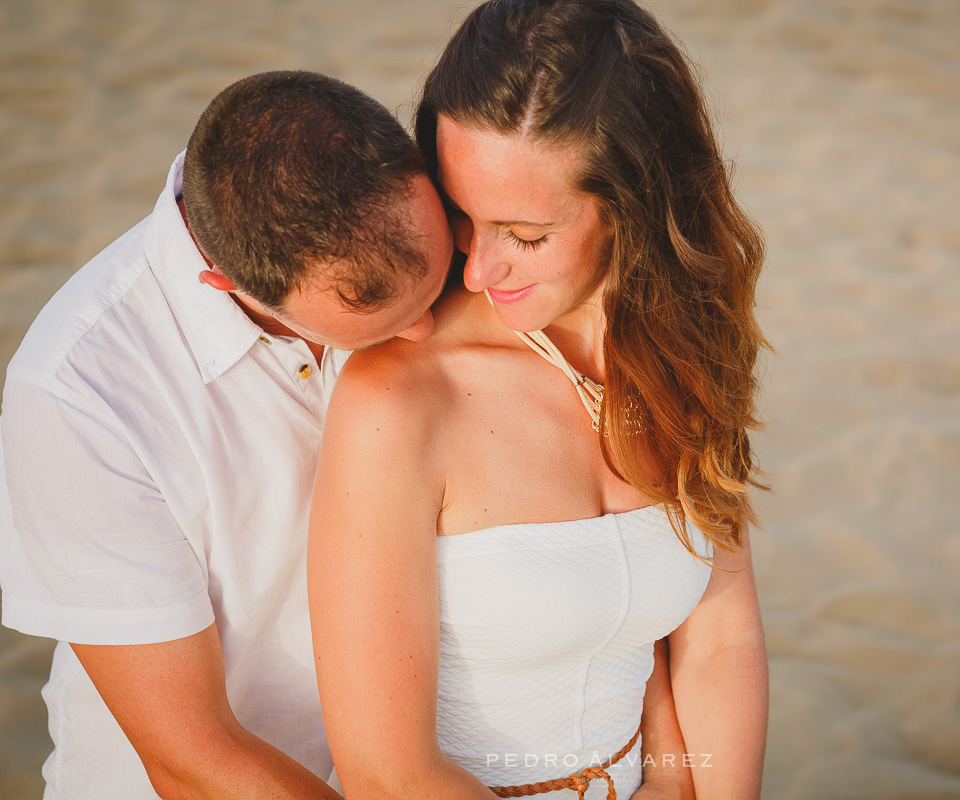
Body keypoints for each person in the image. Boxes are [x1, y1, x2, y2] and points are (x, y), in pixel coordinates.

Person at [308, 1, 770, 798]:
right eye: (462, 215)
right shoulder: (400, 400)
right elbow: (388, 773)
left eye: (525, 235)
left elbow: (722, 639)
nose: (480, 271)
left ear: (634, 203)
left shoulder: (686, 345)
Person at [0, 69, 453, 799]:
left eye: (438, 284)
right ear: (226, 284)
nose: (435, 328)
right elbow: (191, 759)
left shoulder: (403, 225)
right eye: (386, 319)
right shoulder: (79, 396)